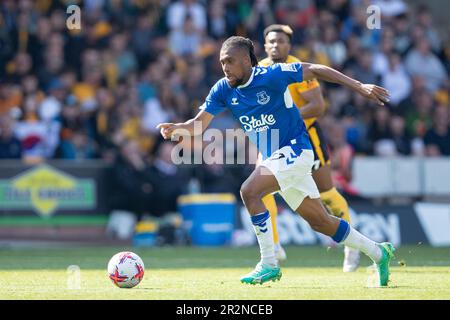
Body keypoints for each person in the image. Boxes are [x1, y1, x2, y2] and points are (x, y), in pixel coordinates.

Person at [157, 36, 394, 286]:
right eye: (222, 62)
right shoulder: (223, 89)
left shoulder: (272, 75)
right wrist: (179, 128)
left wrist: (359, 86)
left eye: (230, 61)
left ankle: (269, 263)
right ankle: (379, 252)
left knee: (249, 191)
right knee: (320, 221)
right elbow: (199, 124)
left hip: (296, 150)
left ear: (247, 61)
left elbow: (314, 68)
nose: (225, 67)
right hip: (277, 160)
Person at [258, 24, 360, 272]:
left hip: (307, 136)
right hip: (273, 138)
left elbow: (318, 106)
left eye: (280, 41)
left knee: (326, 193)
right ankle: (274, 246)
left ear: (288, 45)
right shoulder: (259, 69)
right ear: (264, 45)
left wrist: (287, 117)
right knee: (259, 191)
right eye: (271, 41)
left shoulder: (298, 68)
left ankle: (352, 245)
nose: (275, 45)